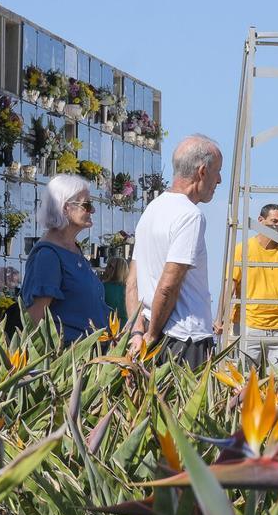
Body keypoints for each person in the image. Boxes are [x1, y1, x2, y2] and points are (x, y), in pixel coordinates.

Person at [127, 134, 223, 369]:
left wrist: (138, 332)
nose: (219, 180)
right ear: (202, 172)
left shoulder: (152, 209)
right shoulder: (190, 215)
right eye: (217, 171)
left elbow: (132, 283)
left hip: (150, 333)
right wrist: (152, 334)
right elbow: (169, 284)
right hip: (185, 339)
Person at [20, 174, 109, 342]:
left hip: (90, 357)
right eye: (87, 205)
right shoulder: (48, 256)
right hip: (68, 360)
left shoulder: (73, 250)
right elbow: (35, 319)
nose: (93, 210)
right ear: (66, 208)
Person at [215, 203, 278, 366]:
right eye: (274, 221)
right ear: (260, 221)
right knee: (244, 384)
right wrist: (219, 317)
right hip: (248, 324)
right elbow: (230, 287)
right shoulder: (242, 249)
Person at [100, 257, 129, 327]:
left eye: (109, 266)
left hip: (106, 328)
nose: (106, 268)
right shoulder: (130, 289)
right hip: (127, 329)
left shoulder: (102, 287)